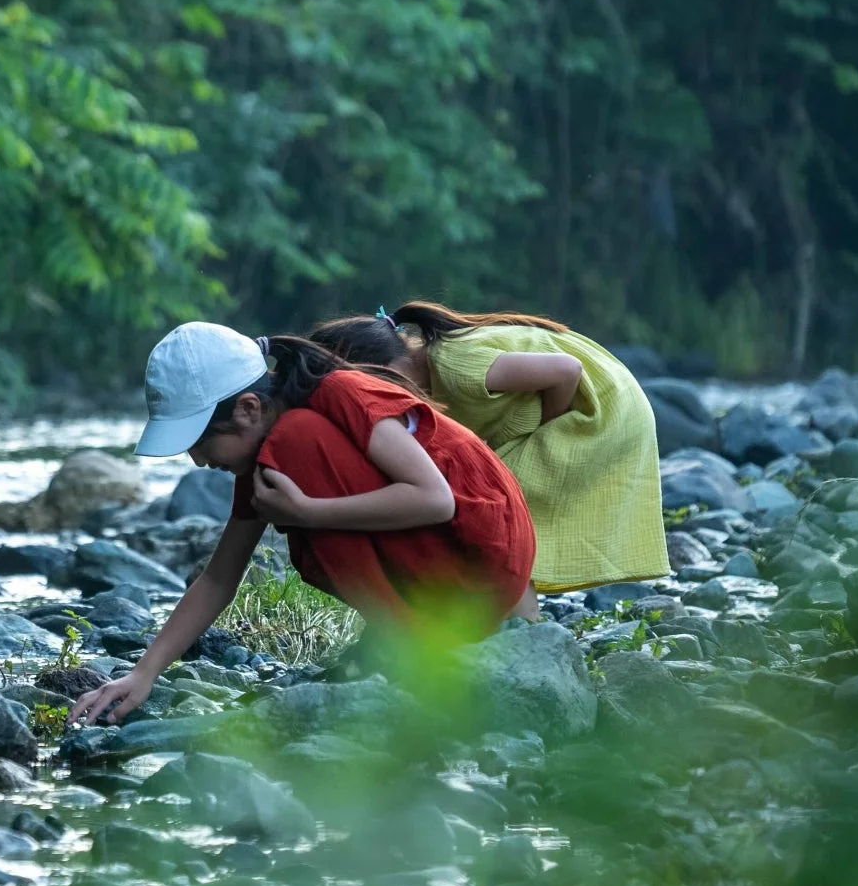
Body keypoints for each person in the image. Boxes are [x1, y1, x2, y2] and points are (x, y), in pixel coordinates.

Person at [69, 322, 536, 727]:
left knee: (297, 440)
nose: (198, 461)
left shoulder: (335, 397)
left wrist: (308, 513)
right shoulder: (263, 451)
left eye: (201, 442)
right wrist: (143, 674)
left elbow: (435, 499)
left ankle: (411, 645)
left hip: (480, 558)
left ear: (249, 409)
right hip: (466, 569)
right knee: (289, 456)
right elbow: (218, 578)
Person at [305, 301, 667, 596]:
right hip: (604, 401)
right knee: (494, 497)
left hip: (602, 410)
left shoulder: (457, 366)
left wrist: (542, 432)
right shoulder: (433, 370)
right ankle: (515, 604)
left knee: (499, 506)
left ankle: (519, 613)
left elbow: (566, 370)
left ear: (387, 368)